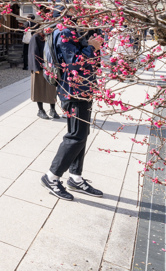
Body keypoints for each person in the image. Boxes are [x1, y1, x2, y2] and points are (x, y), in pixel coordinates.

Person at [42, 27, 105, 201]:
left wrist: (94, 44)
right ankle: (52, 176)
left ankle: (75, 177)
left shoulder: (78, 28)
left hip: (83, 88)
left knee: (82, 134)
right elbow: (73, 62)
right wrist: (92, 47)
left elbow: (92, 61)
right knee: (76, 135)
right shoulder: (65, 31)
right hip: (73, 90)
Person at [29, 25, 59, 119]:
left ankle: (52, 110)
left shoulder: (52, 36)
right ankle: (40, 110)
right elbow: (33, 52)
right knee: (39, 88)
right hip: (40, 67)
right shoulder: (36, 37)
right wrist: (36, 68)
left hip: (51, 66)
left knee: (52, 88)